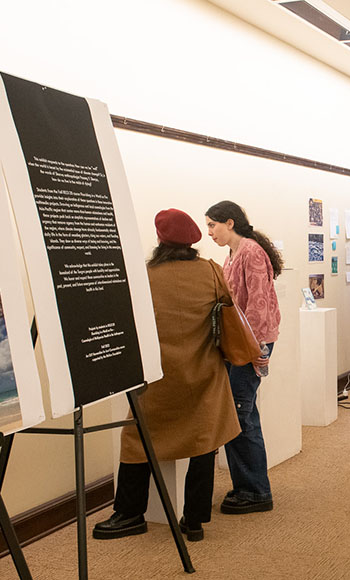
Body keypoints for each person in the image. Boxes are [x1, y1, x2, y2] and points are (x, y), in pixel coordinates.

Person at [94, 209, 240, 541]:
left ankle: (130, 513)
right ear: (193, 241)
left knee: (136, 440)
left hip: (158, 379)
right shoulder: (210, 271)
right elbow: (228, 310)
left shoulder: (144, 276)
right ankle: (195, 520)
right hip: (203, 373)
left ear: (160, 240)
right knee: (204, 440)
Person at [205, 200, 282, 514]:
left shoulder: (249, 252)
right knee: (244, 414)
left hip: (251, 343)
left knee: (240, 414)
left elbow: (258, 305)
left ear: (230, 223)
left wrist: (256, 351)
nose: (209, 232)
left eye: (212, 225)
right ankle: (250, 486)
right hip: (242, 342)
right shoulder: (234, 253)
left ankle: (254, 491)